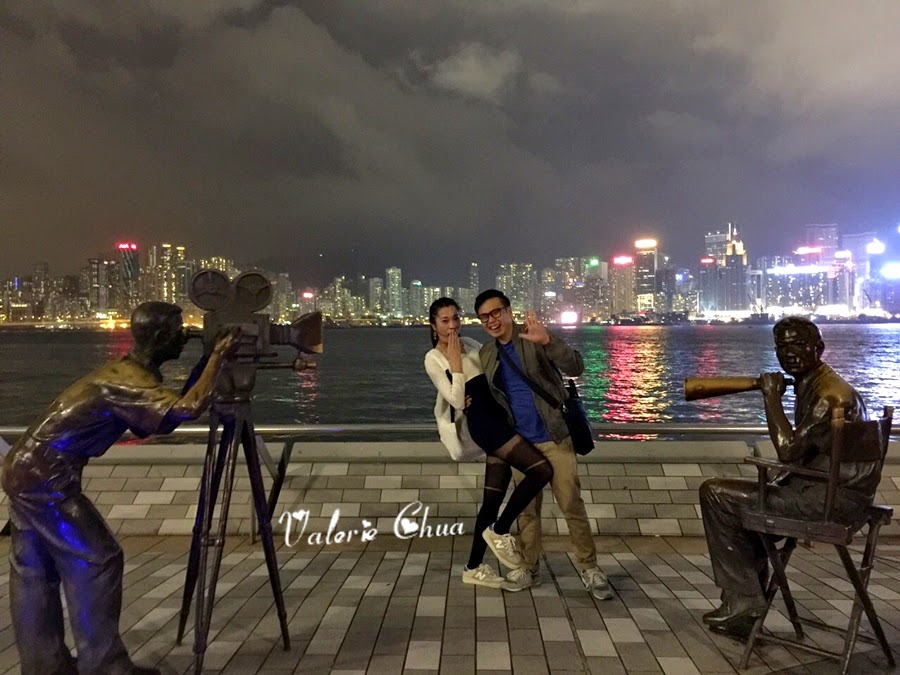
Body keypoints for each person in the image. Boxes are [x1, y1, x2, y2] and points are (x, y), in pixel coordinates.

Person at [1, 302, 239, 675]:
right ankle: (104, 665)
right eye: (179, 331)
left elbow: (161, 422)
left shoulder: (129, 374)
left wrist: (205, 362)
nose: (185, 336)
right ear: (159, 337)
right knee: (99, 558)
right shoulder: (127, 380)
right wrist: (218, 358)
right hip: (45, 477)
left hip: (27, 469)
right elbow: (188, 408)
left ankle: (44, 665)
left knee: (35, 570)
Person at [699, 316, 876, 636]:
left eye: (798, 345)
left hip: (828, 502)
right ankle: (745, 603)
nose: (789, 353)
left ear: (819, 347)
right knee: (744, 505)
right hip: (832, 493)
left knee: (716, 494)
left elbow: (788, 451)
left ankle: (745, 601)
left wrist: (770, 397)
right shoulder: (820, 384)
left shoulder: (829, 395)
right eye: (782, 347)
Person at [474, 289, 610, 599]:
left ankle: (590, 568)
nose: (491, 320)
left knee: (571, 504)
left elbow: (576, 366)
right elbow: (485, 394)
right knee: (527, 512)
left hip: (555, 437)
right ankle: (529, 568)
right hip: (522, 446)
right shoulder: (487, 354)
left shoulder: (533, 337)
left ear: (508, 312)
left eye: (495, 313)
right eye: (484, 317)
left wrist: (548, 341)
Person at [425, 298, 553, 589]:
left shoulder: (471, 343)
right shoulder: (433, 358)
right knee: (541, 470)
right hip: (486, 426)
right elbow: (456, 400)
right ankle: (500, 530)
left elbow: (495, 374)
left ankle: (472, 567)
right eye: (445, 321)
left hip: (500, 420)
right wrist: (456, 364)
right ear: (434, 325)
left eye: (455, 318)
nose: (452, 325)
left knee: (492, 501)